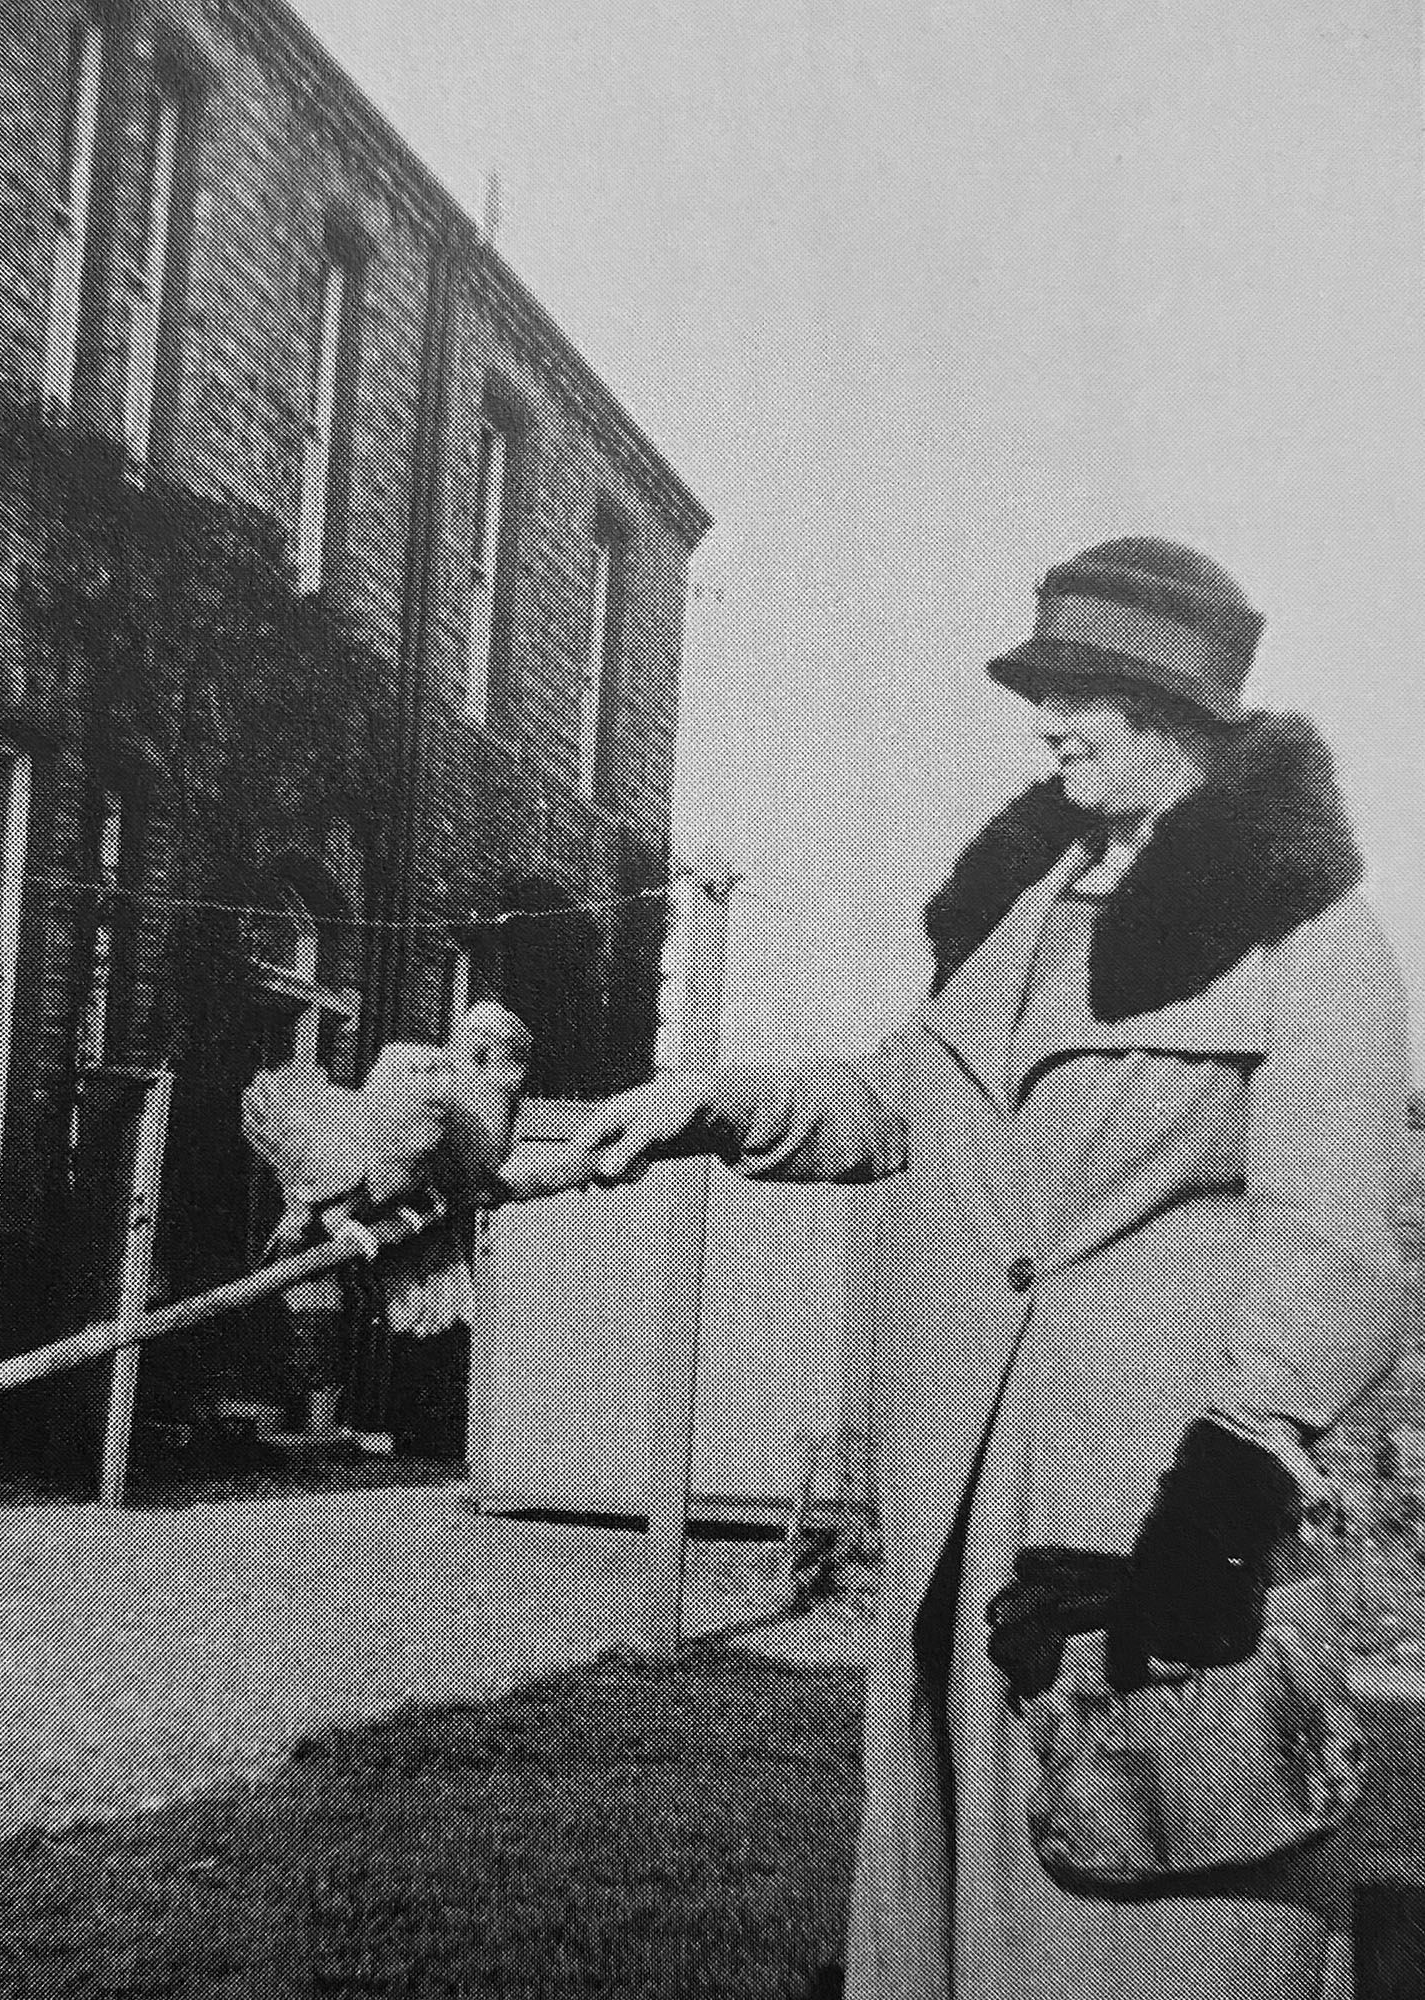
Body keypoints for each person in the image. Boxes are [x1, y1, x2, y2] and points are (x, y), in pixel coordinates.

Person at [500, 538, 1411, 2000]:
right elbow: (895, 1100)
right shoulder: (1015, 912)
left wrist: (1225, 1492)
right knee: (962, 1885)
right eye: (1036, 689)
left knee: (1154, 1896)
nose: (1045, 722)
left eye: (1079, 694)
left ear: (1179, 717)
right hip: (964, 1498)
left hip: (1150, 1509)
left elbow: (1338, 1245)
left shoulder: (1309, 940)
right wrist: (709, 1103)